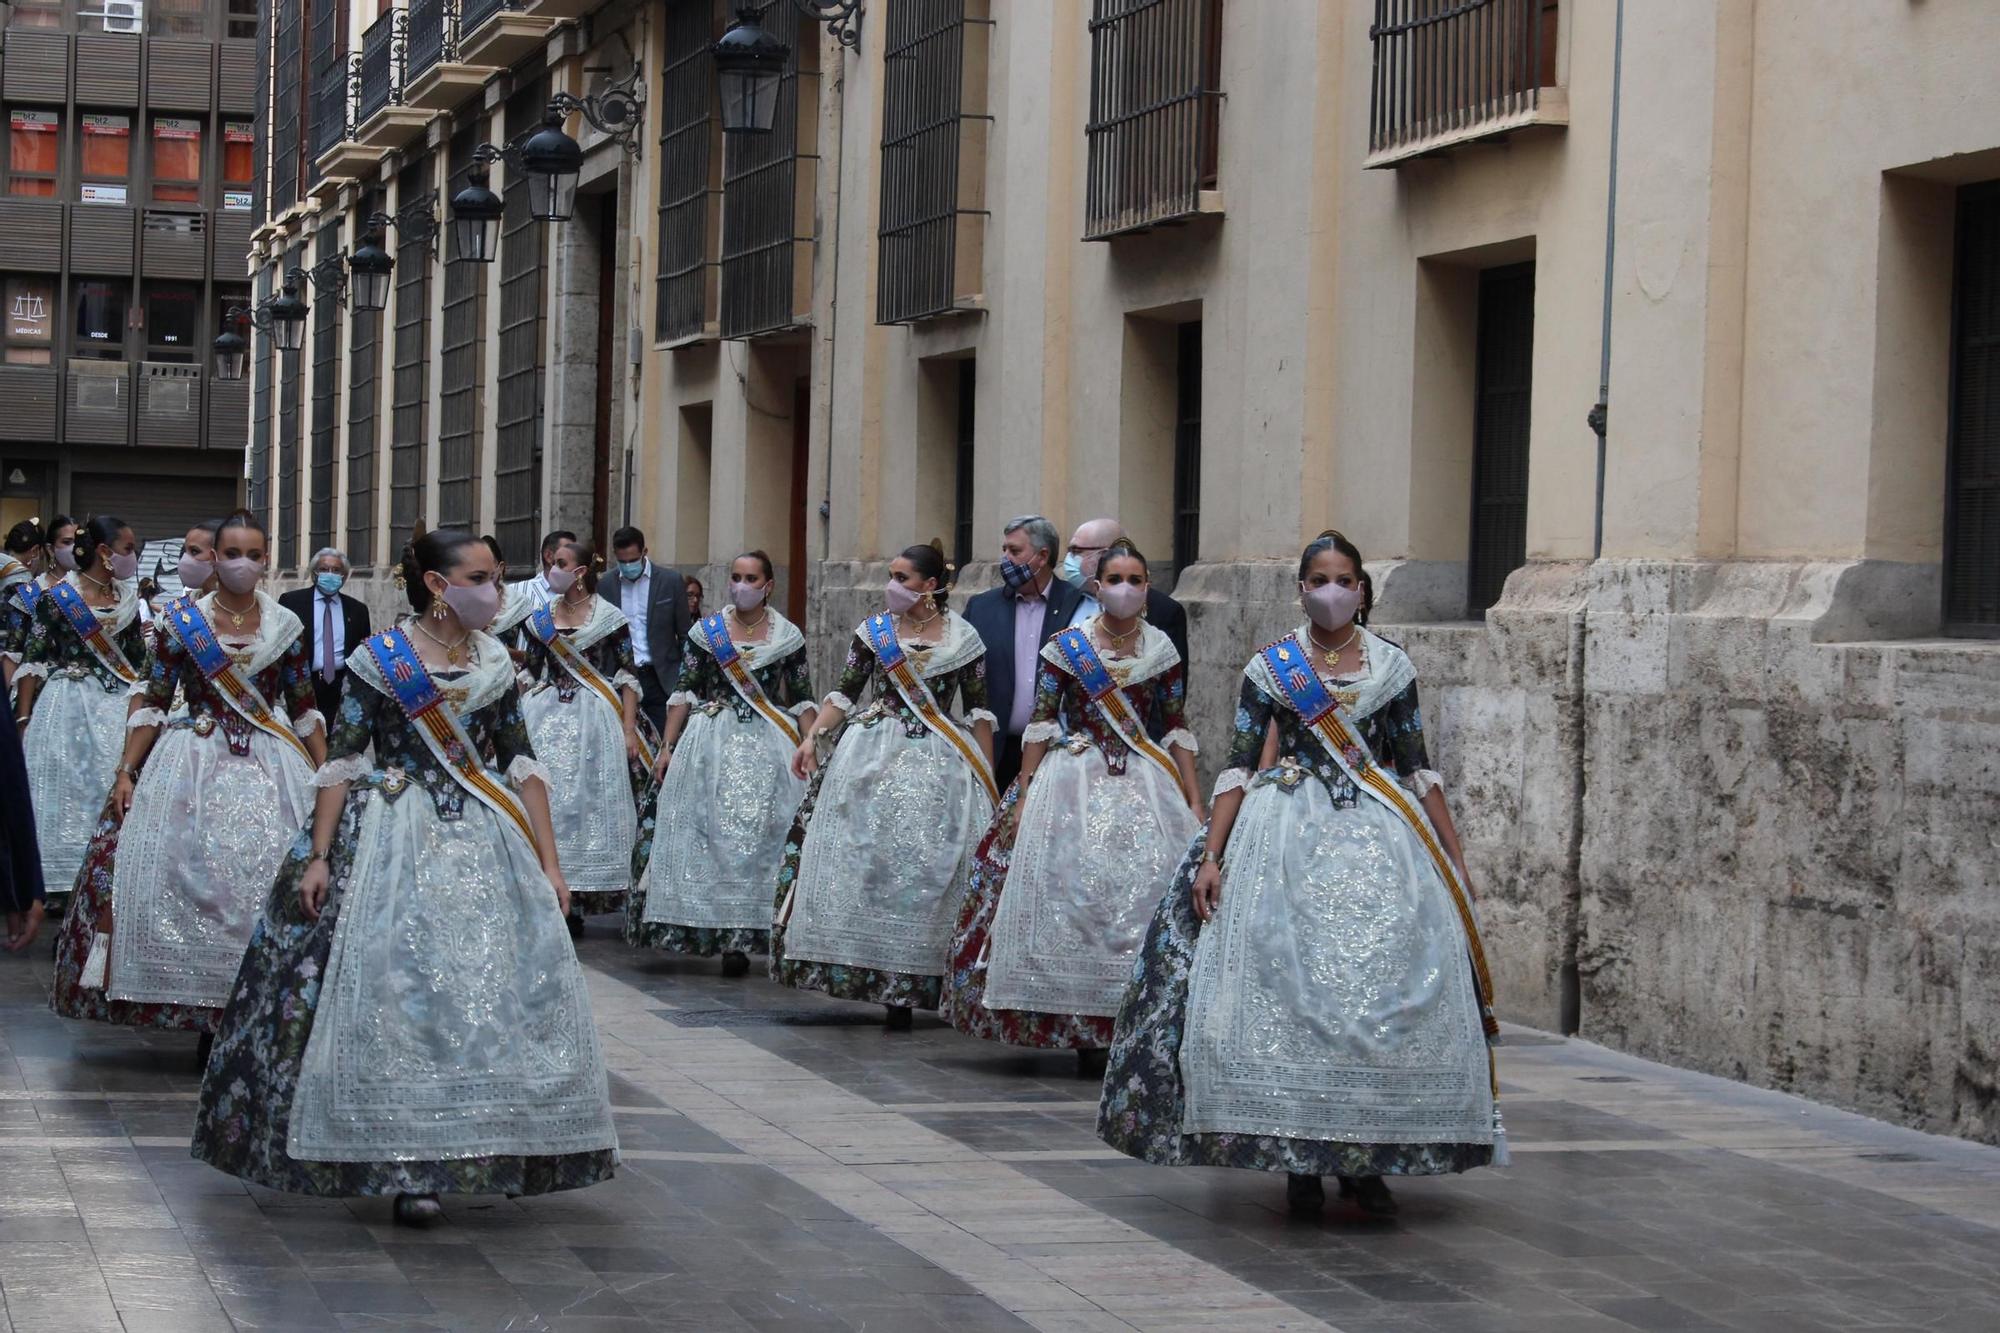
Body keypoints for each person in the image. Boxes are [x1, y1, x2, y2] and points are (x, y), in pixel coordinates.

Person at [191, 528, 618, 1226]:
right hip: (388, 834)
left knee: (484, 995)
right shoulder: (378, 660)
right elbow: (345, 757)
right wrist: (321, 853)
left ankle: (480, 1144)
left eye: (498, 575)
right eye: (480, 576)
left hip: (483, 839)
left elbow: (521, 761)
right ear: (436, 585)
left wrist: (550, 861)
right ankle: (402, 1159)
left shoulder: (498, 662)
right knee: (395, 988)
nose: (496, 589)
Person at [1097, 530, 1503, 1218]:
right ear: (1301, 586)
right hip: (1284, 831)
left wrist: (1454, 857)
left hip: (1381, 838)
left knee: (1376, 993)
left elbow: (1417, 766)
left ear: (1364, 589)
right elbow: (1237, 762)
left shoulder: (1393, 667)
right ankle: (1299, 1158)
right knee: (1291, 992)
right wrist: (1214, 854)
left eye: (1345, 577)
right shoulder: (1270, 667)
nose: (1333, 589)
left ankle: (1370, 1161)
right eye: (1320, 577)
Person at [49, 512, 325, 1045]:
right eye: (231, 553)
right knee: (188, 876)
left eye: (254, 554)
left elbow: (305, 707)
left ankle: (250, 1010)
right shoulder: (182, 623)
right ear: (214, 559)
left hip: (272, 765)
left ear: (267, 561)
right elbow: (153, 702)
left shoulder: (287, 628)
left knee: (267, 883)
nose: (243, 563)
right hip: (192, 758)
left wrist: (329, 770)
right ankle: (202, 1011)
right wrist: (126, 772)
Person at [943, 542, 1203, 1077]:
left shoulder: (1160, 648)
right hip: (1071, 777)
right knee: (1070, 894)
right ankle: (1074, 1016)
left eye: (1135, 577)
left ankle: (1128, 1016)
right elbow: (1041, 721)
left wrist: (1194, 798)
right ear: (1097, 584)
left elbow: (1175, 726)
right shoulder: (1068, 646)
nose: (1125, 587)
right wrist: (1024, 790)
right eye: (1115, 577)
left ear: (1147, 586)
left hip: (1145, 781)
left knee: (1143, 897)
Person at [773, 543, 997, 1029]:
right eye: (891, 575)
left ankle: (922, 976)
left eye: (903, 577)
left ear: (931, 586)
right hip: (873, 755)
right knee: (873, 861)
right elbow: (843, 694)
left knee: (930, 866)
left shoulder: (966, 639)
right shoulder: (873, 633)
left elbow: (980, 713)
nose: (892, 585)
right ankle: (874, 970)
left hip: (943, 763)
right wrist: (813, 736)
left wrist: (988, 777)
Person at [628, 552, 813, 976]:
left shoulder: (788, 636)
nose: (741, 585)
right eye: (735, 577)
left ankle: (750, 932)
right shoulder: (705, 632)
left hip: (770, 744)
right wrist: (667, 747)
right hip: (711, 741)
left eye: (751, 578)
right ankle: (715, 928)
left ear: (768, 585)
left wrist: (812, 746)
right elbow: (685, 691)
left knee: (764, 834)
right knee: (710, 833)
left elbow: (802, 697)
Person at [518, 536, 649, 931]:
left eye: (559, 562)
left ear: (578, 572)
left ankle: (584, 893)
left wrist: (629, 729)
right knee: (549, 798)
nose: (551, 567)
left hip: (596, 719)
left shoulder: (610, 618)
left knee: (586, 804)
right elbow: (532, 670)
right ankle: (554, 892)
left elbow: (628, 675)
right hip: (546, 714)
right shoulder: (541, 617)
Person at [13, 515, 148, 897]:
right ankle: (56, 883)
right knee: (64, 790)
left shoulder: (127, 601)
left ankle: (104, 874)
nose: (132, 556)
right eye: (127, 549)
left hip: (115, 706)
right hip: (65, 706)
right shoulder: (58, 598)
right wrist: (24, 717)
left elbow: (137, 662)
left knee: (109, 785)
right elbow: (33, 658)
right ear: (105, 553)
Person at [962, 516, 1085, 789]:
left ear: (1042, 556)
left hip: (1059, 752)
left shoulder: (1077, 605)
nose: (1005, 558)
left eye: (1015, 551)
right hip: (997, 751)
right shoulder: (982, 608)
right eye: (1004, 550)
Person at [1062, 518, 1191, 687]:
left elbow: (1173, 690)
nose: (1069, 558)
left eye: (1076, 551)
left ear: (1104, 554)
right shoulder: (1061, 600)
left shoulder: (1164, 611)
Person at [602, 526, 692, 733]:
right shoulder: (606, 585)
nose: (627, 565)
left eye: (632, 560)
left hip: (661, 679)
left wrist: (684, 678)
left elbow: (685, 633)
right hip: (621, 678)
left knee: (663, 742)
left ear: (644, 552)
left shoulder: (670, 581)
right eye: (622, 561)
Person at [280, 547, 371, 724]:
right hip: (303, 684)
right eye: (324, 569)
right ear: (314, 573)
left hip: (341, 686)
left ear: (344, 576)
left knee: (334, 744)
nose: (330, 574)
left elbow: (363, 653)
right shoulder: (291, 602)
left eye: (336, 570)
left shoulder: (357, 610)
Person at [2, 516, 75, 699]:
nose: (75, 548)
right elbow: (15, 647)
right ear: (47, 549)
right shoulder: (28, 588)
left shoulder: (96, 590)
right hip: (39, 687)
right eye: (67, 542)